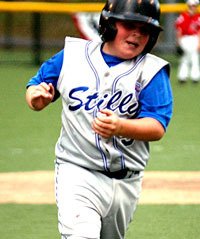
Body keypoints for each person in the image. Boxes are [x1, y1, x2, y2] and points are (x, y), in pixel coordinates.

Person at [26, 0, 173, 238]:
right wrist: (36, 98)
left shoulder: (152, 71)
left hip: (127, 181)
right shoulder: (74, 55)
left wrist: (121, 126)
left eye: (145, 29)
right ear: (109, 24)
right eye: (129, 25)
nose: (137, 33)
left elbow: (157, 126)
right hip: (77, 170)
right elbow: (36, 86)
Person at [174, 0, 200, 83]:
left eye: (194, 5)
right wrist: (178, 42)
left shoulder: (198, 17)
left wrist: (199, 43)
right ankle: (182, 77)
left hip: (194, 38)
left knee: (195, 57)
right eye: (191, 5)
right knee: (184, 58)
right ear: (188, 6)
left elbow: (199, 31)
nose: (193, 7)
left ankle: (195, 77)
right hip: (185, 38)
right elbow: (179, 30)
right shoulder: (183, 16)